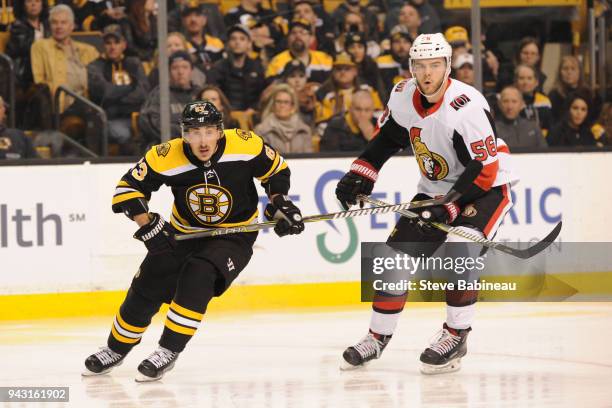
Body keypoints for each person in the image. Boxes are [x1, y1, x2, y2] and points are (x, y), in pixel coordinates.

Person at [82, 100, 305, 382]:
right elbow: (127, 189)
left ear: (221, 131)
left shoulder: (246, 144)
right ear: (184, 134)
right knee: (147, 284)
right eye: (195, 132)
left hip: (234, 234)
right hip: (185, 232)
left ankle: (167, 350)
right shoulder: (165, 155)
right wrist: (147, 224)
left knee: (198, 274)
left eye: (209, 131)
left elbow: (275, 171)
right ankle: (116, 348)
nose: (202, 141)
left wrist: (279, 202)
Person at [335, 33, 517, 374]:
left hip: (487, 187)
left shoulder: (467, 105)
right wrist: (362, 172)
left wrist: (449, 207)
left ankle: (456, 335)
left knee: (461, 250)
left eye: (435, 64)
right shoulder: (402, 95)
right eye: (420, 65)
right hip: (436, 187)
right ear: (411, 67)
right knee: (392, 260)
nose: (427, 72)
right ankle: (377, 337)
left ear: (447, 66)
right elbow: (389, 137)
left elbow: (485, 170)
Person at [87, 24, 149, 152]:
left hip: (138, 117)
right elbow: (106, 92)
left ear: (124, 45)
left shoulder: (134, 63)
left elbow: (143, 93)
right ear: (103, 46)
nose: (112, 47)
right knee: (123, 134)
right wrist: (131, 87)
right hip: (111, 119)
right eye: (108, 43)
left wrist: (118, 98)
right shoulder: (95, 67)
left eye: (116, 42)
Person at [30, 4, 99, 113]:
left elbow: (98, 80)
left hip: (88, 100)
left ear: (72, 26)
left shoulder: (88, 50)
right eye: (55, 22)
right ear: (50, 26)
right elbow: (39, 82)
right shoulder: (40, 47)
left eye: (63, 23)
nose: (59, 27)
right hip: (62, 104)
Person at [138, 51, 201, 149]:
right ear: (168, 72)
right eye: (175, 68)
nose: (180, 72)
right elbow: (149, 122)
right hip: (166, 145)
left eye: (185, 67)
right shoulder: (159, 94)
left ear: (191, 70)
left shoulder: (200, 93)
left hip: (199, 145)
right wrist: (185, 132)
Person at [206, 24, 266, 112]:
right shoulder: (218, 68)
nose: (237, 42)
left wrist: (253, 108)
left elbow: (262, 94)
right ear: (228, 43)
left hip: (252, 115)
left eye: (242, 39)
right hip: (224, 115)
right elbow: (212, 95)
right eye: (233, 39)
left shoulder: (257, 67)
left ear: (249, 43)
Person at [314, 52, 383, 125]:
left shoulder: (367, 89)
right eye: (339, 69)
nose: (342, 72)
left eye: (347, 69)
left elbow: (379, 113)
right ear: (333, 72)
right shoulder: (323, 93)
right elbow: (321, 123)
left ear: (355, 71)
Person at [265, 18, 333, 84]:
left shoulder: (325, 59)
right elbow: (269, 89)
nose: (297, 36)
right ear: (288, 38)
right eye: (293, 33)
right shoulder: (277, 62)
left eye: (302, 32)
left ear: (311, 38)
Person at [254, 84, 313, 153]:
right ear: (273, 105)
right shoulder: (262, 130)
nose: (282, 105)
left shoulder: (304, 131)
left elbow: (309, 159)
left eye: (286, 102)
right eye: (278, 101)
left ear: (293, 106)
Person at [549, 55, 601, 123]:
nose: (569, 72)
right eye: (565, 69)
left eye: (573, 69)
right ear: (560, 72)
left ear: (579, 72)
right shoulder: (554, 95)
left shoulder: (589, 94)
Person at [181, 3, 224, 72]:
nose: (193, 19)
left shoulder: (217, 43)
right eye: (188, 16)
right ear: (183, 21)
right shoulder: (180, 45)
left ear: (204, 20)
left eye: (197, 15)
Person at [345, 31, 386, 99]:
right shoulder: (342, 67)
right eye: (352, 47)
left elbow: (381, 90)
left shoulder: (372, 66)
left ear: (365, 49)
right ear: (346, 50)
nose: (356, 51)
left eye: (360, 47)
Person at [514, 64, 552, 136]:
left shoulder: (544, 101)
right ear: (515, 81)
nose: (525, 82)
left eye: (529, 78)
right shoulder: (509, 100)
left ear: (536, 82)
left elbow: (548, 127)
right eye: (521, 78)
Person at [376, 26, 412, 93]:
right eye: (397, 42)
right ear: (391, 44)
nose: (401, 46)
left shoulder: (417, 62)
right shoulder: (381, 62)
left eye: (406, 42)